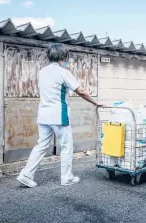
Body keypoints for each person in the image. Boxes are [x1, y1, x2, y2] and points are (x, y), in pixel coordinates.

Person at [17, 43, 102, 188]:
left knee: (41, 145)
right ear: (63, 57)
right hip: (59, 115)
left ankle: (26, 175)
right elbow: (80, 91)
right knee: (66, 146)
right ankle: (66, 177)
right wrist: (95, 103)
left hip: (43, 115)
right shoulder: (63, 72)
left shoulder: (41, 72)